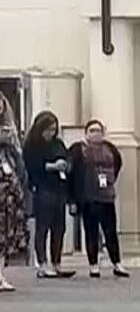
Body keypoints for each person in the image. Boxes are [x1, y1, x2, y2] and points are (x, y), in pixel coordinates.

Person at [67, 120, 126, 278]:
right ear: (86, 132)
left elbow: (117, 165)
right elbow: (71, 174)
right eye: (92, 130)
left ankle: (117, 263)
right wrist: (72, 200)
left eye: (98, 130)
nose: (96, 133)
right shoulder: (78, 149)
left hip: (106, 197)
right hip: (88, 197)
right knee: (91, 231)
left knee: (110, 231)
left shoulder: (110, 149)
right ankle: (93, 265)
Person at [22, 112, 74, 279]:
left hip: (59, 187)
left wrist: (66, 165)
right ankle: (42, 264)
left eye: (53, 129)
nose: (51, 133)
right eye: (48, 130)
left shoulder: (58, 143)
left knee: (59, 227)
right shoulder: (32, 145)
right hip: (43, 187)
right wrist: (52, 166)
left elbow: (66, 157)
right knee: (43, 227)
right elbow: (32, 167)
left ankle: (56, 262)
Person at [0, 96, 28, 292]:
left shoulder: (9, 131)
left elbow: (18, 157)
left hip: (8, 187)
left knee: (4, 235)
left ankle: (1, 274)